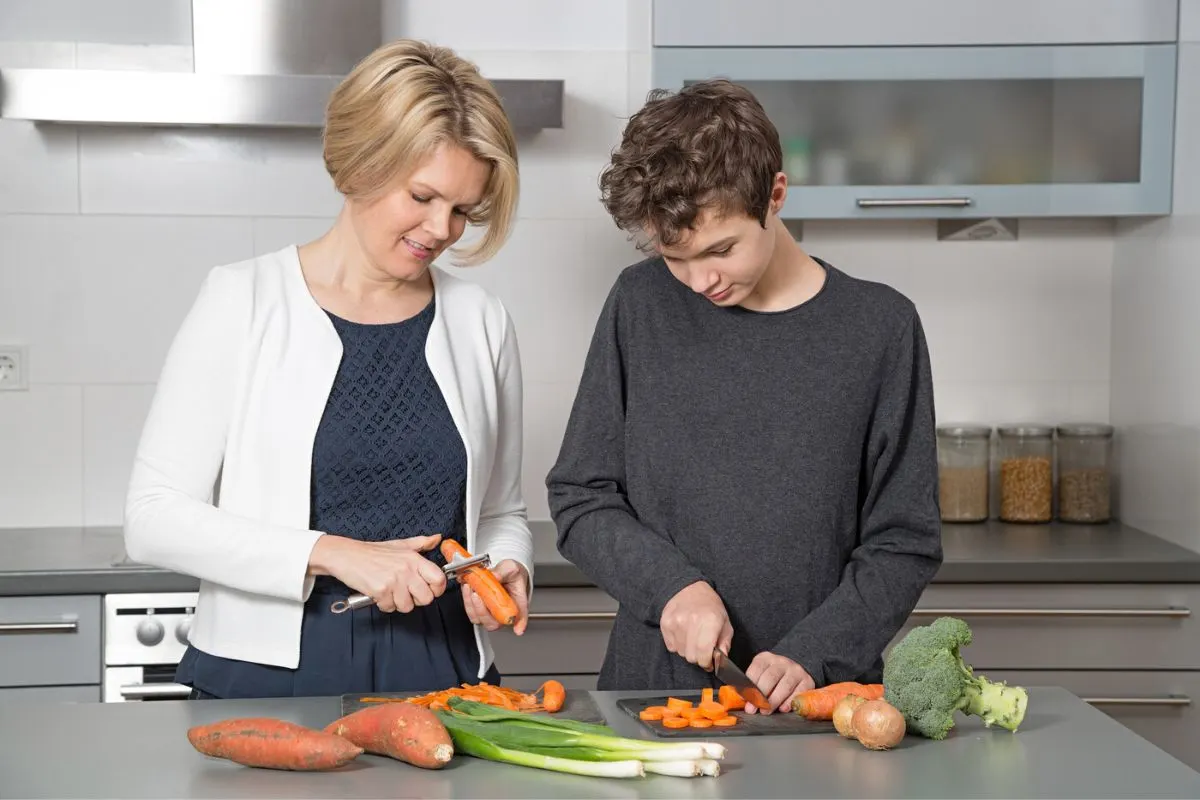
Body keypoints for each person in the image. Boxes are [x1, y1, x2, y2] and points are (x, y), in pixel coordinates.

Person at [124, 39, 534, 699]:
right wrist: (336, 553)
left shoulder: (480, 320)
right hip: (271, 671)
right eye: (423, 196)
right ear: (360, 167)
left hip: (446, 667)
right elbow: (154, 516)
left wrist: (510, 564)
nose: (442, 229)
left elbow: (501, 510)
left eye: (462, 209)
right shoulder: (243, 299)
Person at [546, 79, 943, 713]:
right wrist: (672, 588)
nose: (700, 280)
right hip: (654, 694)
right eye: (676, 257)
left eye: (721, 249)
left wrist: (815, 651)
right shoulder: (639, 305)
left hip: (821, 701)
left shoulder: (881, 329)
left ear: (775, 195)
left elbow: (904, 540)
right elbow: (581, 495)